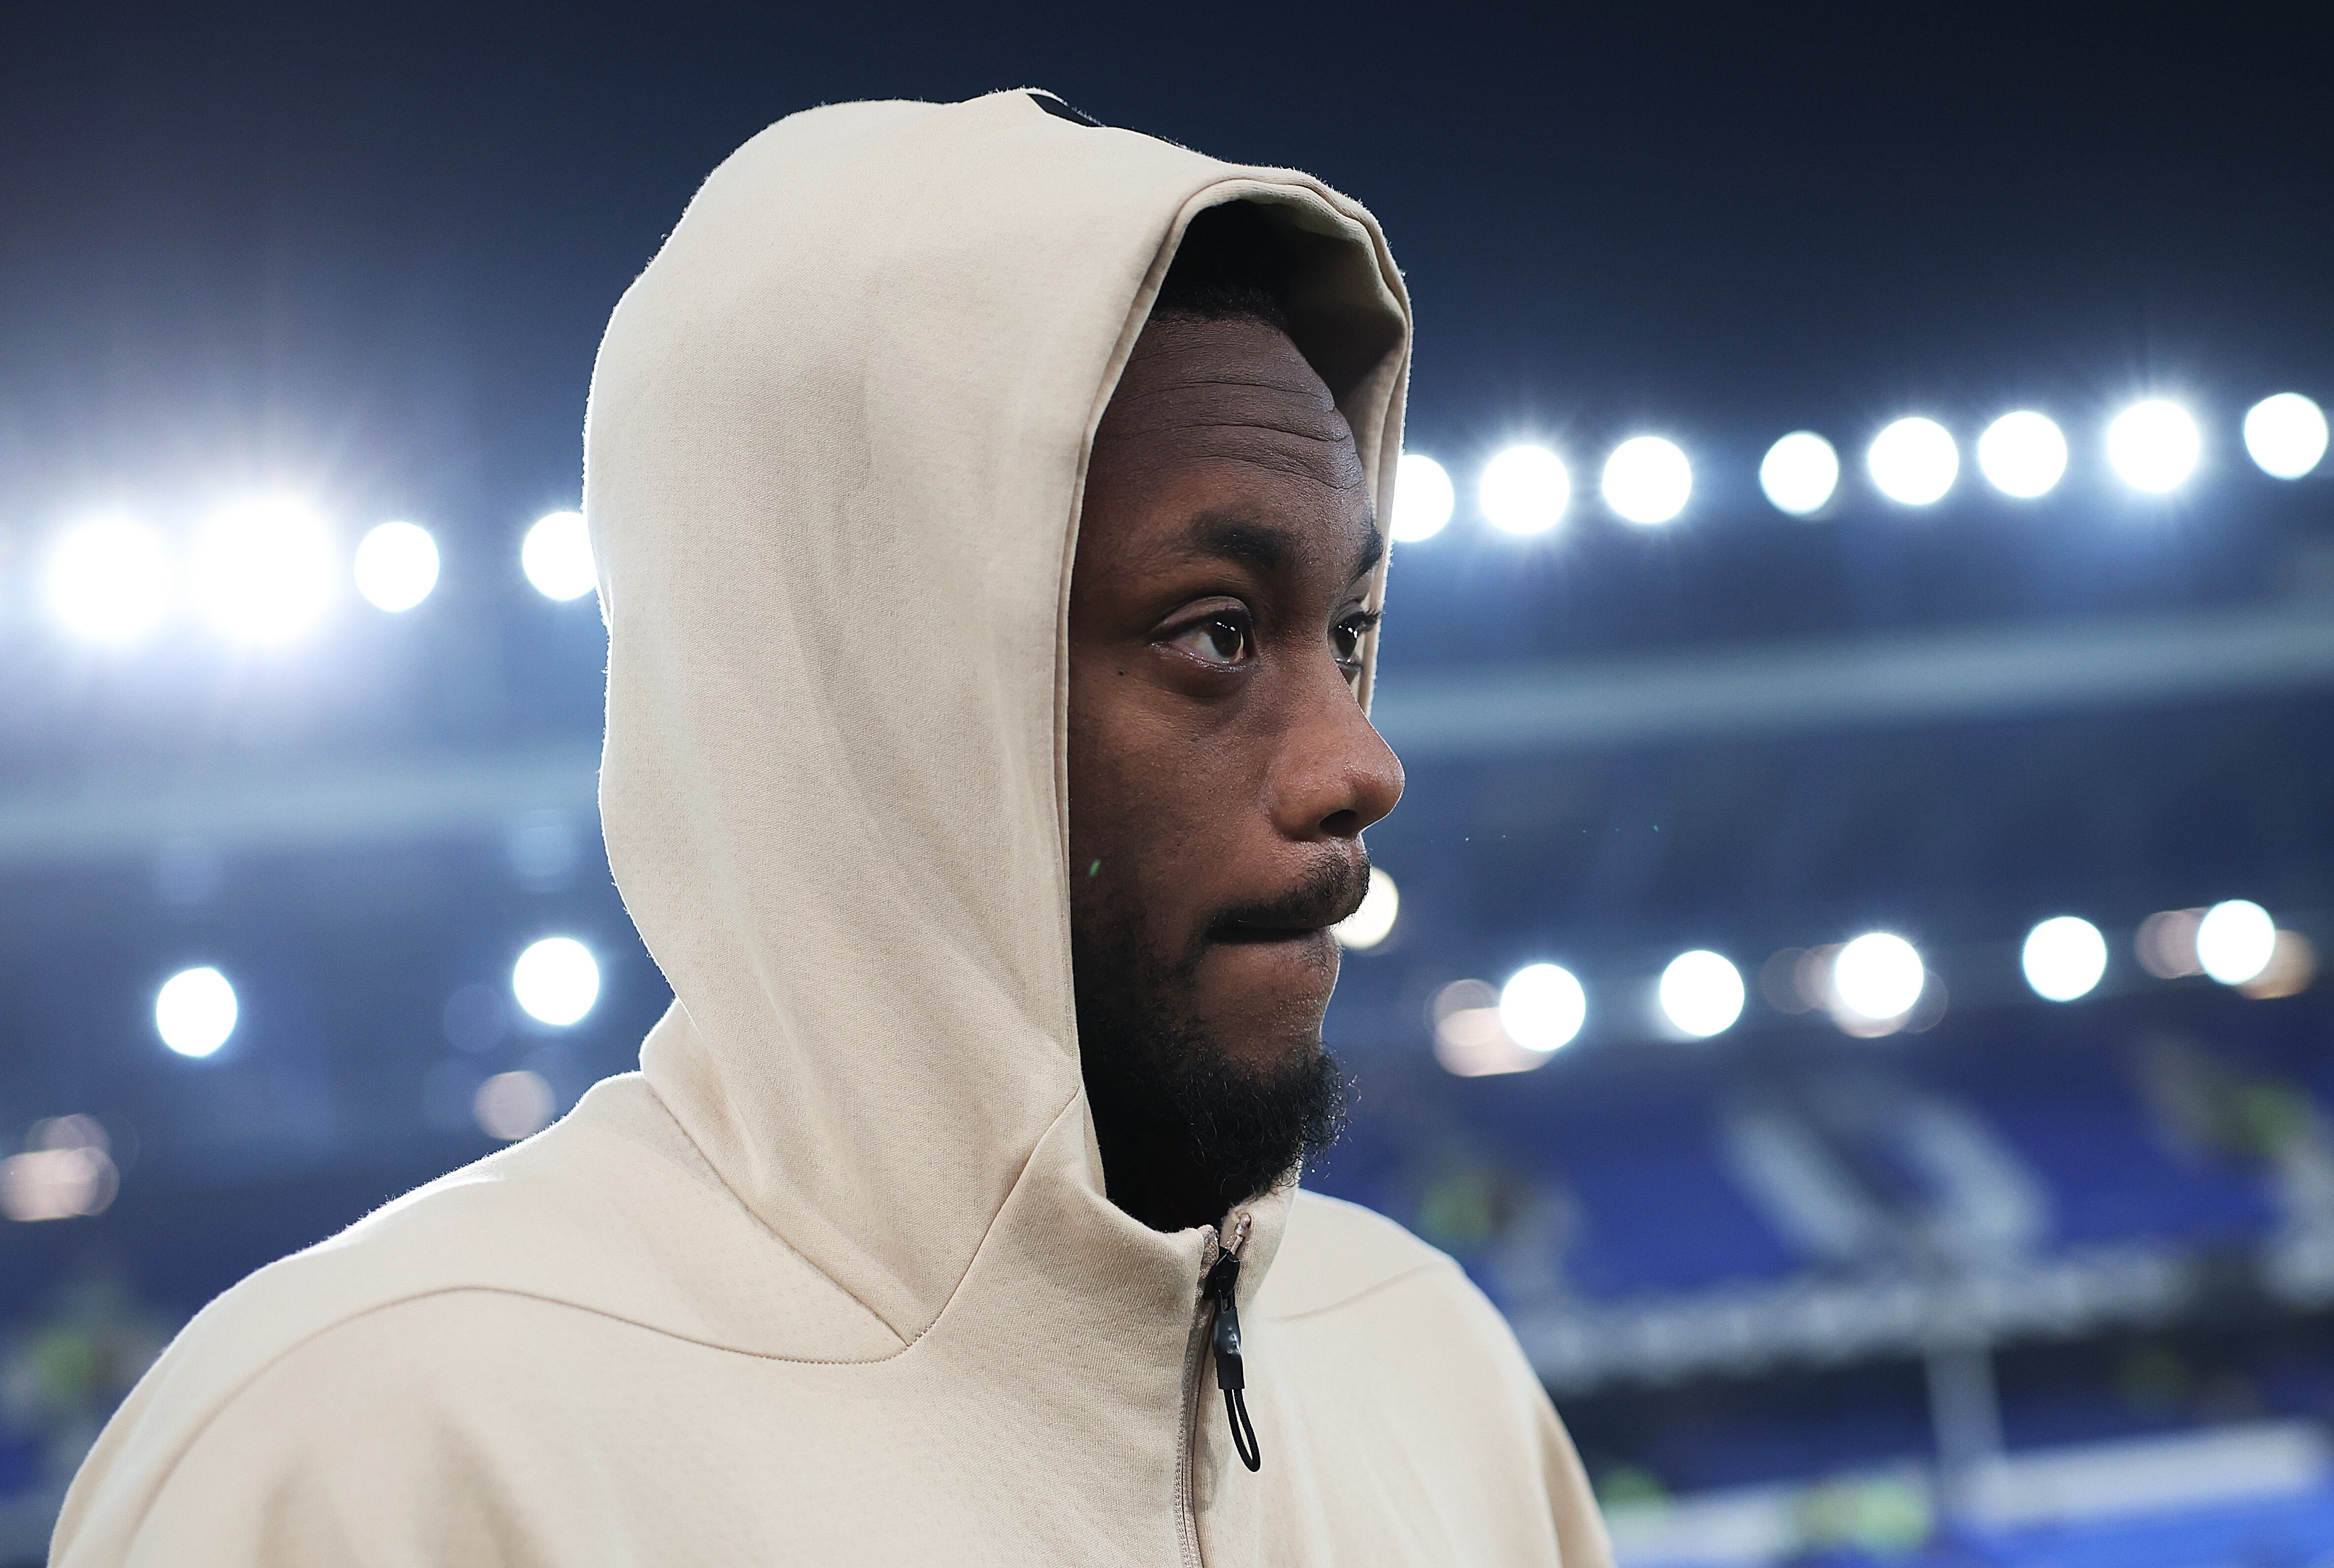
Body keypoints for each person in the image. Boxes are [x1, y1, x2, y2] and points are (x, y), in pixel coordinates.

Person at [54, 90, 1611, 1565]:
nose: (1360, 760)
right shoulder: (375, 1451)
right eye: (1211, 633)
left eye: (1344, 631)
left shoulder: (1432, 1365)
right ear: (882, 704)